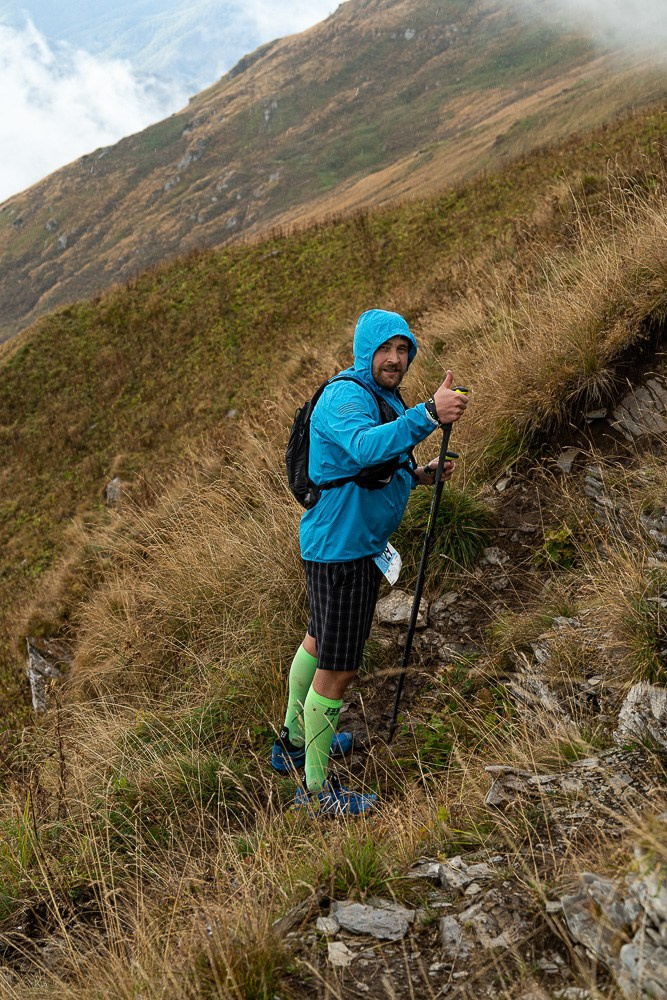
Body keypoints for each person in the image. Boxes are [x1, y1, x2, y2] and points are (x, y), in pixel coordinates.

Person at [272, 308, 468, 815]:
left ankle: (294, 742)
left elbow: (376, 463)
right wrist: (428, 414)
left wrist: (419, 475)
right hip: (343, 551)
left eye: (404, 350)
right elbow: (360, 449)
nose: (396, 359)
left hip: (344, 546)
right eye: (387, 349)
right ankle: (317, 793)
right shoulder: (344, 396)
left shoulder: (380, 397)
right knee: (338, 669)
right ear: (366, 351)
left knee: (318, 639)